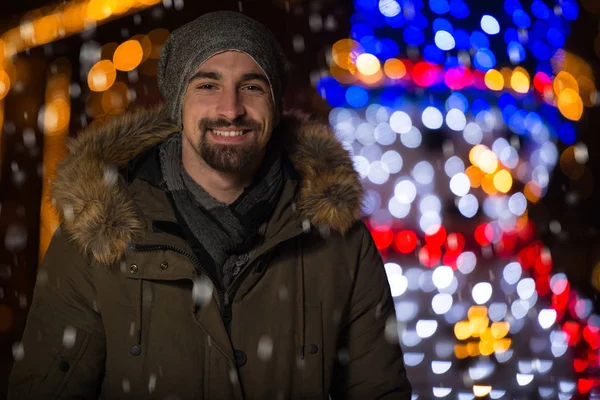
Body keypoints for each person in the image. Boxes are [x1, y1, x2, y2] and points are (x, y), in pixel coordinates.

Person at [8, 10, 412, 399]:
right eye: (207, 85)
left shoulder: (339, 242)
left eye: (252, 86)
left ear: (274, 103)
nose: (231, 109)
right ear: (176, 104)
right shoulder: (96, 238)